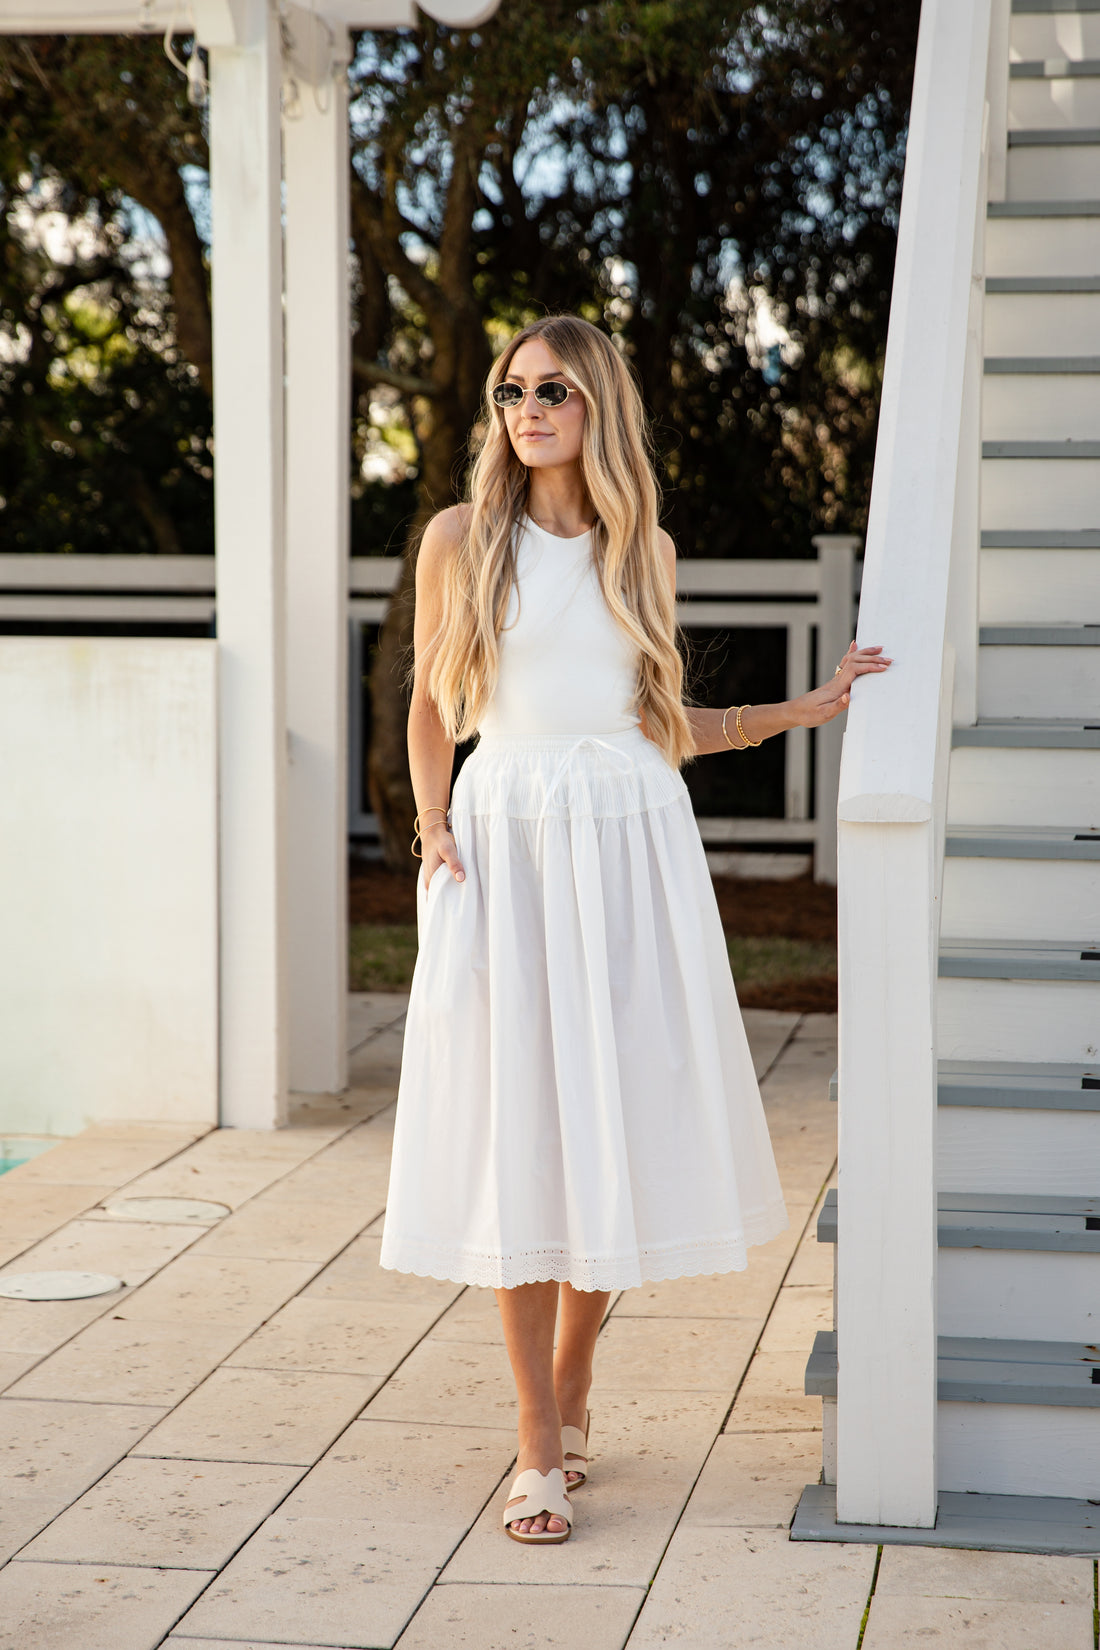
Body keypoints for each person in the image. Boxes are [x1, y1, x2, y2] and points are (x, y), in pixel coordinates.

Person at [379, 314, 890, 1544]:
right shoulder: (462, 538)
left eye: (550, 388)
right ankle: (537, 1443)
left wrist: (800, 710)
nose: (525, 409)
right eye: (509, 391)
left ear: (597, 401)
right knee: (520, 1133)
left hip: (629, 838)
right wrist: (430, 825)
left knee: (608, 1122)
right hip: (504, 837)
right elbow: (430, 709)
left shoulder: (639, 547)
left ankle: (574, 1377)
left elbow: (662, 719)